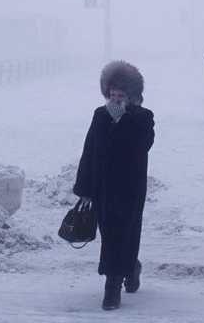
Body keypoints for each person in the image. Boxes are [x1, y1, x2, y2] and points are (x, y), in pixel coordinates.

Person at [74, 61, 155, 311]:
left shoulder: (143, 118)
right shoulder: (100, 115)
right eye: (112, 95)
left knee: (126, 232)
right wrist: (85, 189)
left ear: (132, 96)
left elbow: (143, 146)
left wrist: (124, 122)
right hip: (103, 189)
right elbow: (89, 151)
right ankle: (127, 270)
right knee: (110, 235)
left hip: (131, 188)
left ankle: (113, 288)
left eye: (121, 96)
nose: (116, 100)